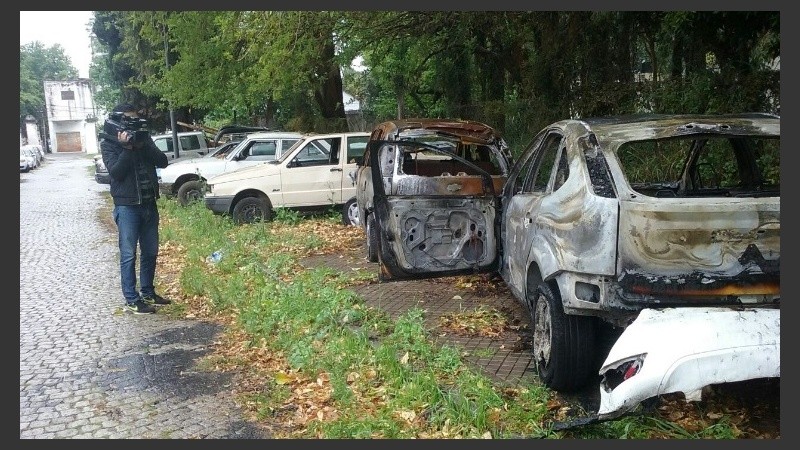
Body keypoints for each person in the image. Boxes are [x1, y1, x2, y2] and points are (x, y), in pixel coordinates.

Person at [99, 103, 171, 314]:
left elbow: (163, 161)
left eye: (135, 118)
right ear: (118, 121)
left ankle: (148, 292)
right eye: (128, 119)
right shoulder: (108, 144)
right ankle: (132, 298)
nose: (133, 123)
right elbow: (116, 173)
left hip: (149, 204)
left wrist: (143, 145)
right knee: (129, 254)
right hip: (127, 206)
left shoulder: (144, 139)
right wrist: (126, 149)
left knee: (150, 252)